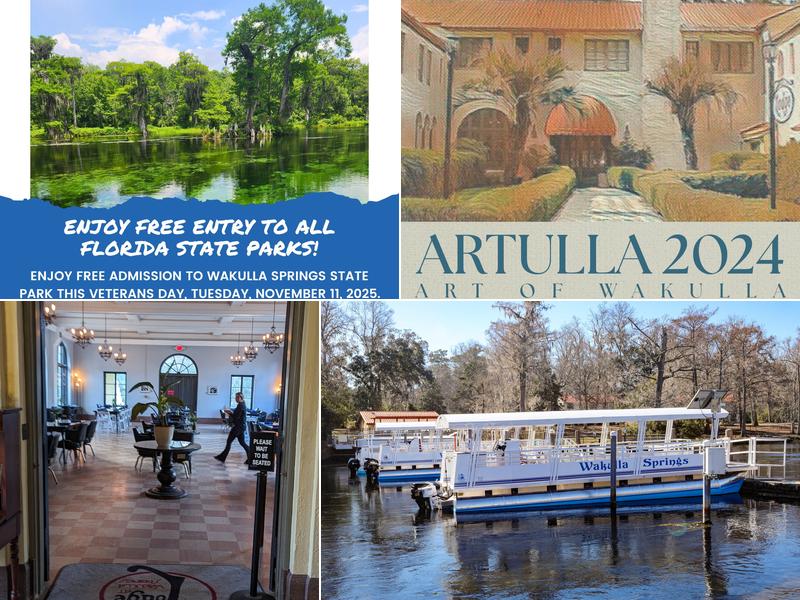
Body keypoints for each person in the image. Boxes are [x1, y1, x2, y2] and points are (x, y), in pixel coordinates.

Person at [215, 392, 250, 464]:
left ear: (241, 397)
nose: (235, 399)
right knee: (242, 443)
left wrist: (229, 412)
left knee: (229, 442)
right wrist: (231, 412)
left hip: (238, 427)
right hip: (241, 427)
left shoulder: (241, 405)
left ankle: (222, 457)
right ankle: (250, 458)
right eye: (235, 397)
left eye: (237, 397)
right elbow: (237, 415)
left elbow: (236, 417)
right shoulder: (241, 404)